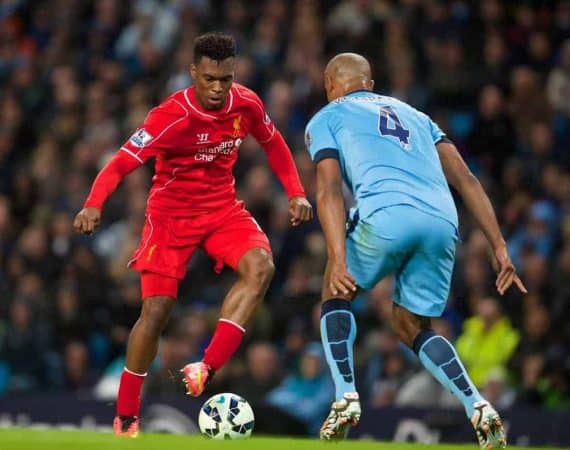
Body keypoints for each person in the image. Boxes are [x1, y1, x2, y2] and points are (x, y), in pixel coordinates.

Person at [74, 33, 312, 437]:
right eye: (209, 80)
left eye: (226, 78)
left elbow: (274, 144)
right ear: (193, 74)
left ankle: (206, 366)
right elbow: (120, 163)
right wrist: (94, 202)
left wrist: (296, 193)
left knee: (261, 267)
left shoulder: (247, 102)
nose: (219, 88)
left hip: (222, 209)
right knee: (157, 311)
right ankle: (127, 413)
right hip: (171, 217)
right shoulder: (170, 116)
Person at [304, 53, 527, 448]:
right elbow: (467, 179)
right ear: (370, 84)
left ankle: (345, 396)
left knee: (335, 290)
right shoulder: (417, 115)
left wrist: (338, 258)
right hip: (442, 223)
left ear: (329, 84)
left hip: (386, 214)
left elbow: (328, 190)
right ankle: (476, 403)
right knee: (411, 325)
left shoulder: (327, 116)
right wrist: (499, 246)